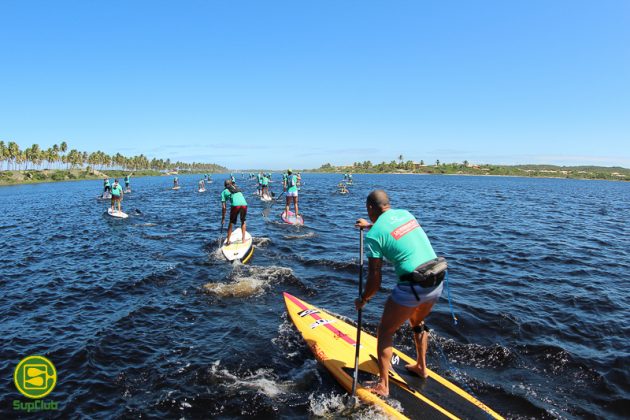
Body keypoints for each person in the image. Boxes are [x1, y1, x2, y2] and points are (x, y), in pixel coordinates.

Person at [354, 190, 446, 397]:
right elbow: (395, 230)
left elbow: (375, 279)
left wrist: (364, 299)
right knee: (417, 323)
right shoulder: (406, 214)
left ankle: (383, 385)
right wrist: (369, 226)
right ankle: (422, 367)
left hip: (413, 286)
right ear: (387, 204)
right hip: (437, 278)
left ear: (370, 208)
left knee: (385, 331)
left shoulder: (374, 236)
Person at [221, 179, 248, 245]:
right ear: (232, 184)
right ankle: (243, 239)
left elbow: (224, 207)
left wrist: (223, 218)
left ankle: (228, 241)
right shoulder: (237, 188)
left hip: (235, 206)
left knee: (231, 222)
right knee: (243, 221)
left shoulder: (224, 192)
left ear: (225, 185)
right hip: (244, 204)